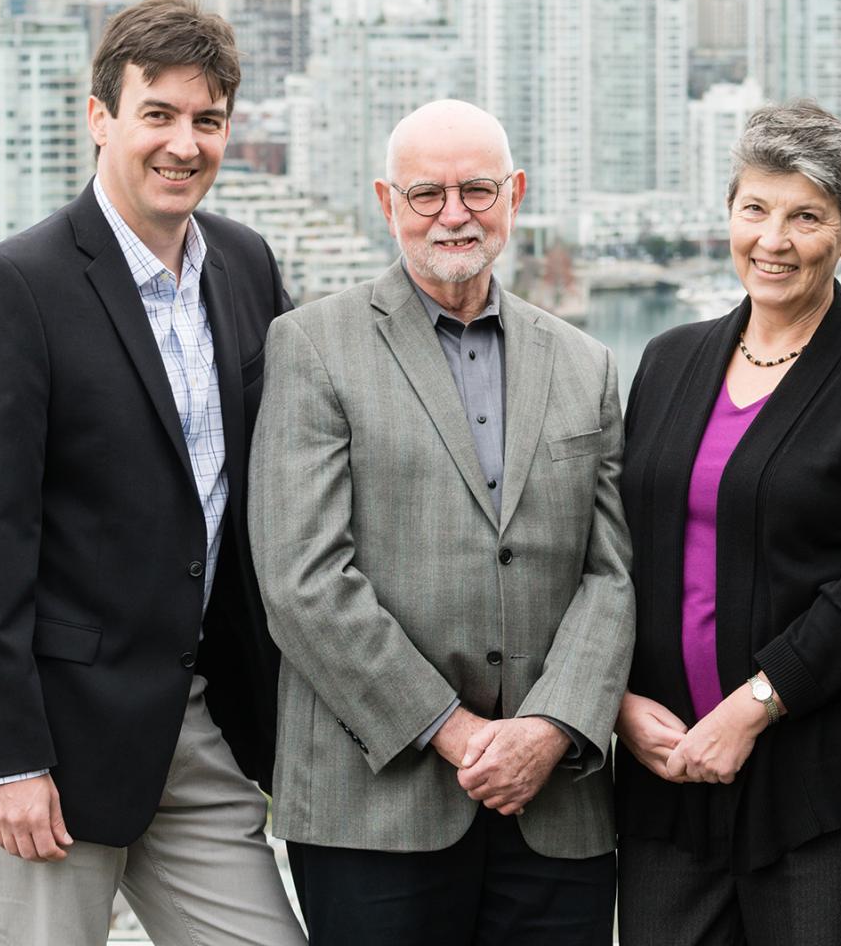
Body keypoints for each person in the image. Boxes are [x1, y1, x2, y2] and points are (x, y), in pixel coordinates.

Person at [0, 0, 304, 945]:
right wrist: (7, 761)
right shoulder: (18, 286)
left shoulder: (245, 266)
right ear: (101, 118)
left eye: (206, 120)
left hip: (199, 723)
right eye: (157, 115)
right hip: (50, 743)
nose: (183, 144)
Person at [247, 98, 633, 945]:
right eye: (427, 195)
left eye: (477, 190)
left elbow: (611, 574)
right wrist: (458, 735)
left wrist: (551, 728)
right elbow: (301, 578)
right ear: (387, 204)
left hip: (555, 802)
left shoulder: (586, 364)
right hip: (374, 805)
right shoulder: (311, 346)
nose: (454, 214)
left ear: (516, 195)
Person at [613, 100, 841, 945]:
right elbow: (616, 547)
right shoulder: (669, 359)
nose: (773, 238)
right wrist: (617, 701)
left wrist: (754, 706)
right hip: (670, 773)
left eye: (807, 217)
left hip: (821, 788)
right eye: (755, 208)